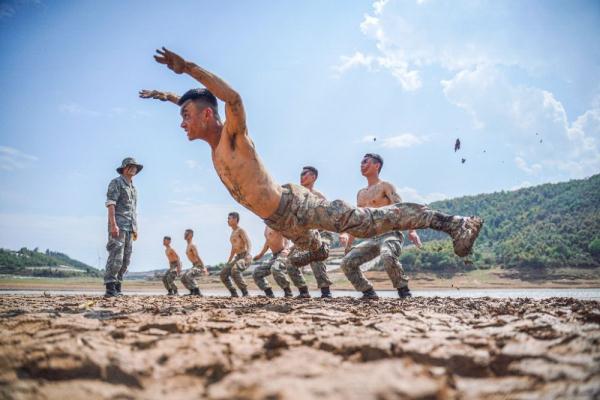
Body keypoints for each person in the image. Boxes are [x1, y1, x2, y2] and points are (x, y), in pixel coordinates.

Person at [139, 48, 483, 273]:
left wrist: (186, 69)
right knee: (306, 255)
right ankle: (318, 249)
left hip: (297, 207)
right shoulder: (214, 147)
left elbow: (232, 97)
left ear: (208, 115)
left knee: (367, 222)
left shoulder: (234, 136)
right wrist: (167, 97)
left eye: (186, 114)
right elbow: (199, 106)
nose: (182, 122)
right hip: (281, 222)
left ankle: (455, 223)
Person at [340, 153, 422, 300]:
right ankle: (368, 292)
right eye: (361, 162)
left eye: (366, 162)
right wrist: (348, 244)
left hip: (391, 234)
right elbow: (358, 220)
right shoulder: (361, 194)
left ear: (376, 165)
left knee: (387, 255)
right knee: (347, 263)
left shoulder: (385, 186)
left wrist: (412, 231)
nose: (362, 165)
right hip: (372, 238)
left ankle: (404, 291)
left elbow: (402, 208)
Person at [286, 166, 333, 298]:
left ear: (313, 177)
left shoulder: (319, 196)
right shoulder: (297, 196)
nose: (302, 177)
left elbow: (329, 217)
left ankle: (326, 292)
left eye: (305, 174)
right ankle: (303, 292)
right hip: (305, 235)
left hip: (322, 233)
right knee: (290, 261)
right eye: (301, 174)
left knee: (317, 255)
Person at [103, 157, 142, 297]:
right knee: (116, 256)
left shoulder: (133, 188)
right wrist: (113, 224)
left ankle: (118, 286)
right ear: (125, 168)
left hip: (129, 227)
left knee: (126, 259)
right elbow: (111, 204)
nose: (134, 169)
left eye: (136, 167)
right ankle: (110, 286)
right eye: (132, 166)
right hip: (118, 225)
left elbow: (133, 209)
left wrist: (135, 228)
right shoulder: (116, 183)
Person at [252, 225, 293, 298]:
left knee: (275, 268)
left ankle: (288, 292)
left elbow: (287, 236)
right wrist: (261, 254)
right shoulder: (267, 226)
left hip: (282, 254)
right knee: (256, 272)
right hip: (274, 256)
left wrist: (286, 249)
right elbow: (268, 241)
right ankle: (269, 294)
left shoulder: (277, 222)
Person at [221, 212, 252, 297]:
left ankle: (245, 292)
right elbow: (233, 248)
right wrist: (229, 260)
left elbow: (248, 242)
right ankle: (233, 293)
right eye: (228, 219)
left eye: (229, 218)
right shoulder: (232, 233)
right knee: (223, 273)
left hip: (244, 255)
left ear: (235, 219)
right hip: (237, 257)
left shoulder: (240, 230)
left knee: (235, 270)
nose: (227, 220)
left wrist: (248, 255)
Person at [180, 229, 208, 296]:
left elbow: (197, 256)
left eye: (187, 234)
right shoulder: (188, 245)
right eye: (184, 234)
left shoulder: (192, 245)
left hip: (198, 265)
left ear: (191, 235)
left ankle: (197, 292)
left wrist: (204, 267)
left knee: (188, 275)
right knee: (183, 278)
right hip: (194, 265)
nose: (185, 235)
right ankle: (192, 291)